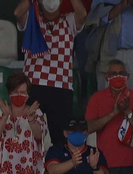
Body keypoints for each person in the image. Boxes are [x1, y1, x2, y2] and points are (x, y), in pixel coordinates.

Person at [15, 0, 85, 134]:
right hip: (32, 85)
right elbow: (18, 12)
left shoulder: (69, 20)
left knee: (60, 138)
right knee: (27, 134)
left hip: (61, 88)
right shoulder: (32, 19)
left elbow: (82, 14)